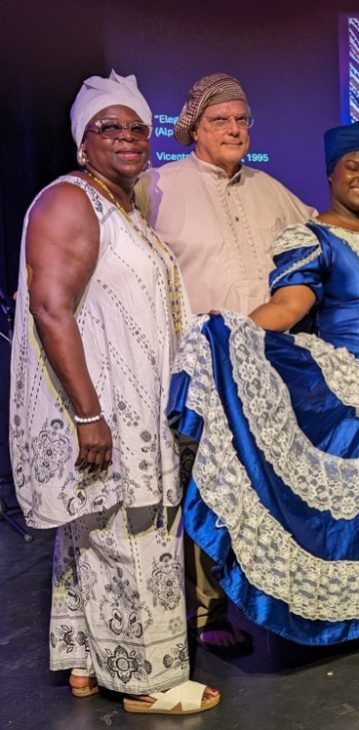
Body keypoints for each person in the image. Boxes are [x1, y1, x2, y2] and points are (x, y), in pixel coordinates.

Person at [167, 120, 359, 661]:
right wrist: (235, 331)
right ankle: (351, 615)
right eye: (352, 167)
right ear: (330, 174)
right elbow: (290, 307)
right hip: (346, 389)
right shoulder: (311, 238)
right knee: (355, 511)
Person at [9, 71, 218, 715]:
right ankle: (148, 680)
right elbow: (51, 307)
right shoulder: (69, 200)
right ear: (82, 143)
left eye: (137, 127)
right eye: (110, 127)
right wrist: (89, 415)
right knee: (134, 532)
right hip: (105, 412)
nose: (128, 138)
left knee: (92, 538)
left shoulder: (122, 209)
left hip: (134, 408)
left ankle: (86, 661)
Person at [136, 72, 315, 650]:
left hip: (261, 367)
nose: (234, 129)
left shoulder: (270, 188)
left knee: (259, 485)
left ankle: (268, 600)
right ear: (193, 128)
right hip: (197, 368)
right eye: (221, 121)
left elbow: (325, 232)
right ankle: (207, 615)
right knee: (204, 485)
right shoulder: (159, 186)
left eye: (241, 120)